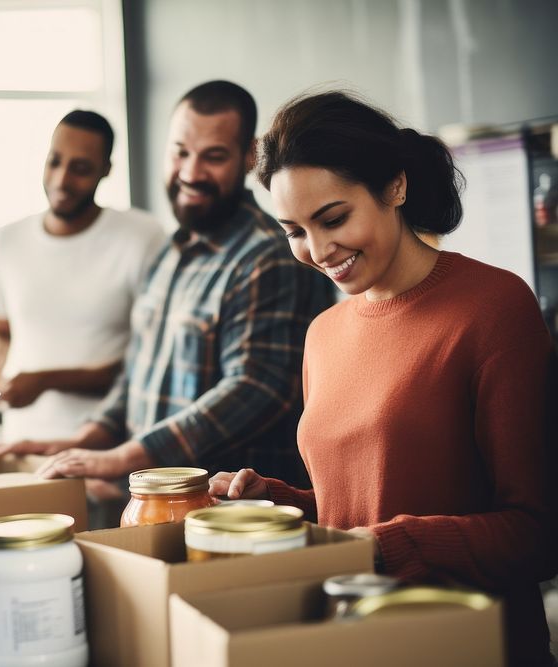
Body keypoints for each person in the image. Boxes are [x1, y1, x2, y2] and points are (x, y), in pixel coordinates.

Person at [210, 90, 558, 666]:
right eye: (294, 230)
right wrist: (276, 503)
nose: (318, 250)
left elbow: (537, 533)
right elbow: (357, 510)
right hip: (352, 640)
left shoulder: (494, 307)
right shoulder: (322, 332)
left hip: (466, 646)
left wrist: (390, 546)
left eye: (333, 218)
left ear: (395, 187)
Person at [0, 81, 331, 486]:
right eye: (180, 152)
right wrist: (87, 440)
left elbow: (256, 387)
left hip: (230, 515)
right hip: (158, 499)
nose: (190, 172)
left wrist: (127, 455)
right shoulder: (172, 252)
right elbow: (138, 369)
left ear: (249, 157)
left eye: (213, 157)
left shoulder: (268, 256)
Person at [0, 110, 164, 445]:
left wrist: (48, 380)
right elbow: (0, 339)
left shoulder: (142, 237)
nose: (62, 180)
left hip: (104, 446)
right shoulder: (5, 242)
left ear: (106, 170)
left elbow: (155, 360)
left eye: (80, 168)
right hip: (19, 442)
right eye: (54, 162)